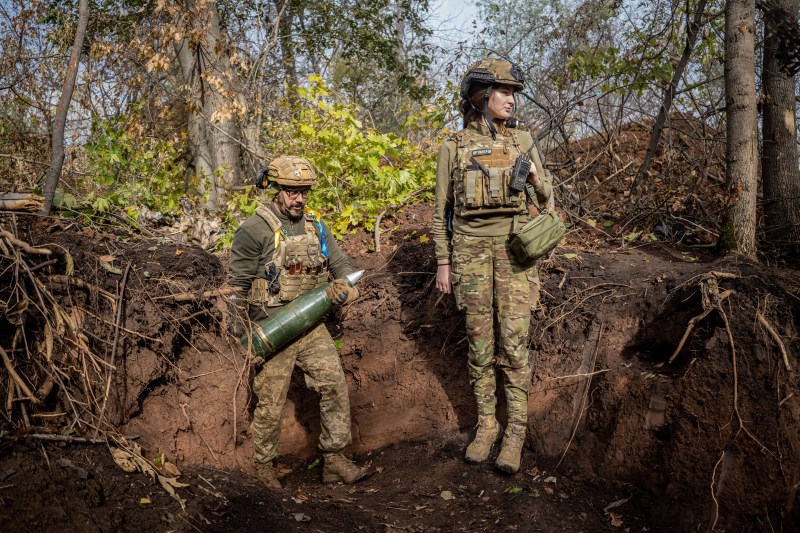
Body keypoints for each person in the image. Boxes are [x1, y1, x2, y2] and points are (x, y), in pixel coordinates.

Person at [432, 59, 553, 474]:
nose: (511, 99)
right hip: (469, 255)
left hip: (515, 255)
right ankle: (487, 426)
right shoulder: (454, 144)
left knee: (514, 347)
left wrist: (536, 178)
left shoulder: (524, 139)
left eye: (513, 92)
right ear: (481, 97)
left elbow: (549, 200)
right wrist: (444, 262)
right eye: (504, 92)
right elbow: (441, 213)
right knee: (481, 348)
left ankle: (515, 431)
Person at [228, 155, 368, 489]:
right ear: (276, 189)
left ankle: (334, 460)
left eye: (304, 191)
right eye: (291, 191)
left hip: (310, 324)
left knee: (334, 386)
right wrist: (241, 336)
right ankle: (263, 468)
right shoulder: (254, 229)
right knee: (270, 401)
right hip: (271, 328)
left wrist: (347, 292)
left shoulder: (316, 225)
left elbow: (343, 268)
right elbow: (235, 289)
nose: (299, 198)